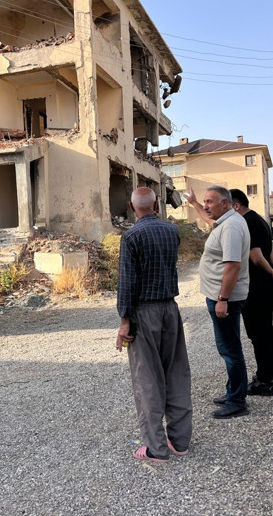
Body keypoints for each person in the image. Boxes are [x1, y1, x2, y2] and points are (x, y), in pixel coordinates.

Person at [115, 187, 192, 463]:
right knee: (176, 372)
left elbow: (126, 282)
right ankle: (180, 441)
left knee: (147, 378)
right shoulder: (172, 231)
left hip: (144, 312)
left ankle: (155, 448)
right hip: (170, 308)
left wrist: (125, 321)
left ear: (132, 207)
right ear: (157, 203)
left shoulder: (131, 236)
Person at [193, 185, 251, 419]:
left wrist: (223, 299)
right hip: (220, 295)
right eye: (205, 201)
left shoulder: (231, 227)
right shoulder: (226, 222)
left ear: (225, 203)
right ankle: (233, 392)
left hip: (225, 297)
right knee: (229, 346)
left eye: (210, 202)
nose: (206, 206)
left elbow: (233, 265)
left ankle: (237, 400)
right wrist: (194, 203)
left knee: (230, 349)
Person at [228, 189, 273, 396]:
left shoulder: (246, 222)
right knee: (265, 331)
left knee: (259, 334)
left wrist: (272, 272)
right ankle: (270, 375)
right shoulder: (259, 220)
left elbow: (256, 255)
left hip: (256, 286)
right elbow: (269, 250)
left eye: (228, 207)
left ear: (236, 206)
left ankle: (264, 380)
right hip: (266, 284)